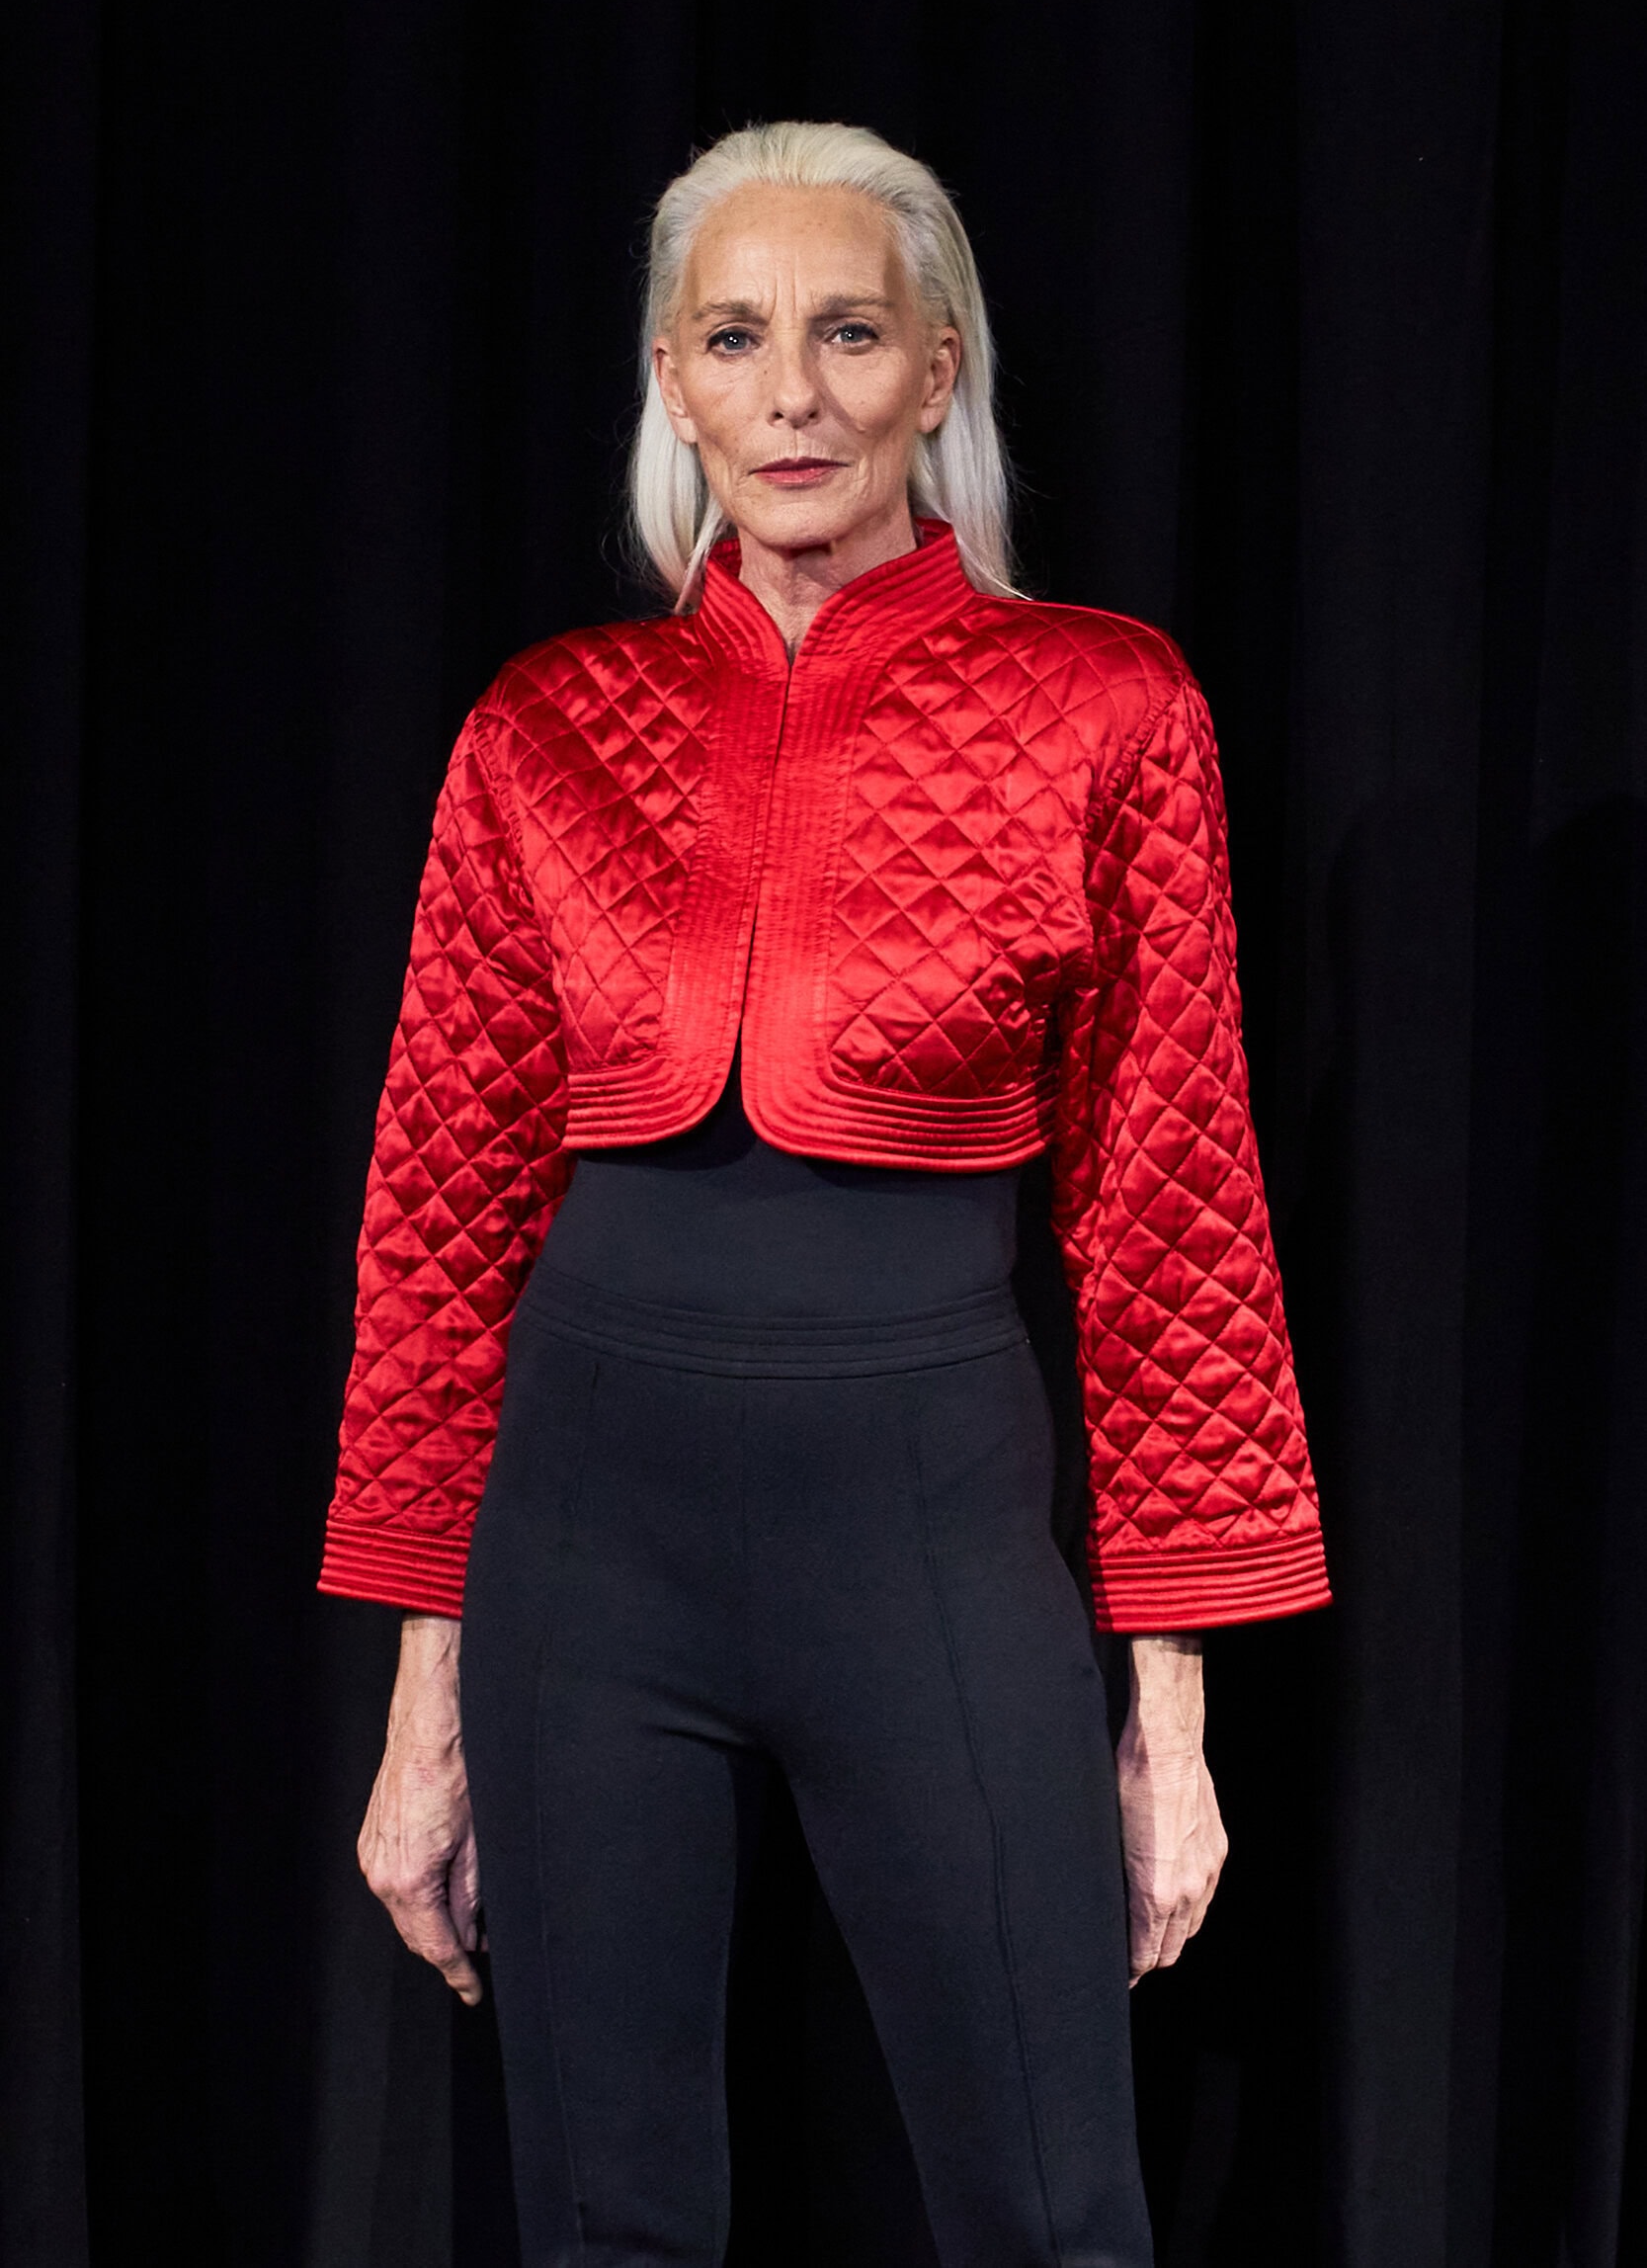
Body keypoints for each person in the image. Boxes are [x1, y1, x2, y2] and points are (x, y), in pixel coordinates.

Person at [319, 120, 1330, 2268]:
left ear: (936, 370)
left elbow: (1175, 1217)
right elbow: (442, 1221)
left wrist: (1170, 1715)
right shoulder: (540, 728)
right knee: (604, 2222)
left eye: (849, 333)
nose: (792, 391)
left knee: (1052, 2211)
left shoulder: (1106, 705)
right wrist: (424, 1703)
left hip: (928, 1539)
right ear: (671, 381)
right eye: (735, 338)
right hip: (582, 1552)